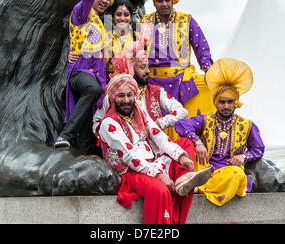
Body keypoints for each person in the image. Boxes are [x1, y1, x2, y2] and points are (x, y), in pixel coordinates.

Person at [98, 70, 214, 224]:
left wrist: (182, 157)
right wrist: (159, 176)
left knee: (185, 145)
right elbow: (129, 156)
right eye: (121, 96)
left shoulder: (141, 113)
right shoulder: (108, 123)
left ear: (134, 96)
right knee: (160, 190)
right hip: (130, 172)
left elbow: (160, 137)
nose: (126, 100)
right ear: (112, 98)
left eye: (129, 95)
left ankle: (182, 180)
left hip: (152, 162)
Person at [54, 0, 124, 154]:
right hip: (80, 74)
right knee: (92, 89)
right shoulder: (80, 12)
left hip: (96, 79)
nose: (104, 0)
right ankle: (65, 135)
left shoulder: (101, 24)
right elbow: (85, 3)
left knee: (87, 137)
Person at [142, 0, 216, 141]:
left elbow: (202, 50)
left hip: (182, 81)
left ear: (174, 0)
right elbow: (136, 52)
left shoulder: (187, 20)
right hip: (154, 83)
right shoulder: (146, 22)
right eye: (160, 1)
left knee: (214, 91)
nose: (164, 4)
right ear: (154, 2)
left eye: (168, 0)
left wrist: (210, 72)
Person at [175, 58, 265, 206]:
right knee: (185, 145)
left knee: (237, 175)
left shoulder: (247, 125)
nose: (226, 106)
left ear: (236, 103)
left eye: (230, 102)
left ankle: (197, 188)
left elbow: (259, 149)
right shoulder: (206, 120)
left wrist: (244, 156)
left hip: (229, 172)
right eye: (222, 102)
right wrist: (197, 142)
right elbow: (181, 125)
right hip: (205, 170)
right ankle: (198, 183)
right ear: (215, 102)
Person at [93, 39, 188, 138]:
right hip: (126, 150)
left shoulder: (156, 92)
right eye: (143, 67)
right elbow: (97, 122)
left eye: (148, 67)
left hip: (156, 147)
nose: (148, 71)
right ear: (131, 68)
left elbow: (182, 111)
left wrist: (160, 123)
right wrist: (114, 140)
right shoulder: (114, 95)